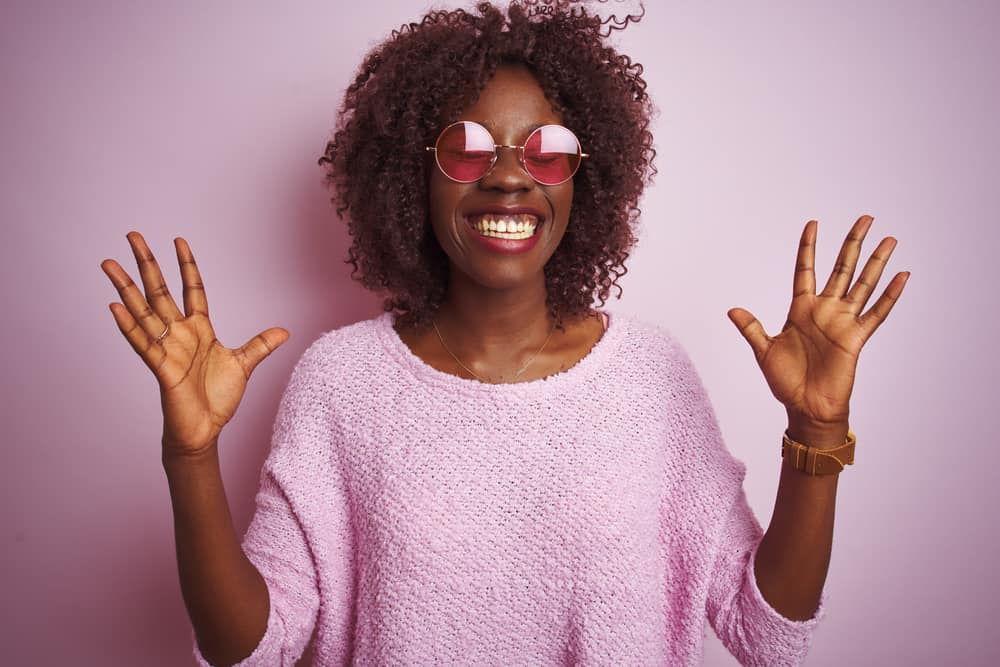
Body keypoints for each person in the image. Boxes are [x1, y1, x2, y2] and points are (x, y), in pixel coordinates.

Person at [99, 1, 909, 665]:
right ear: (411, 174)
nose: (511, 174)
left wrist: (816, 430)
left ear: (584, 179)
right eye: (467, 146)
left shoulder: (652, 378)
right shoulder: (341, 381)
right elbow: (252, 644)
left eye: (547, 151)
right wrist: (192, 457)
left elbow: (766, 629)